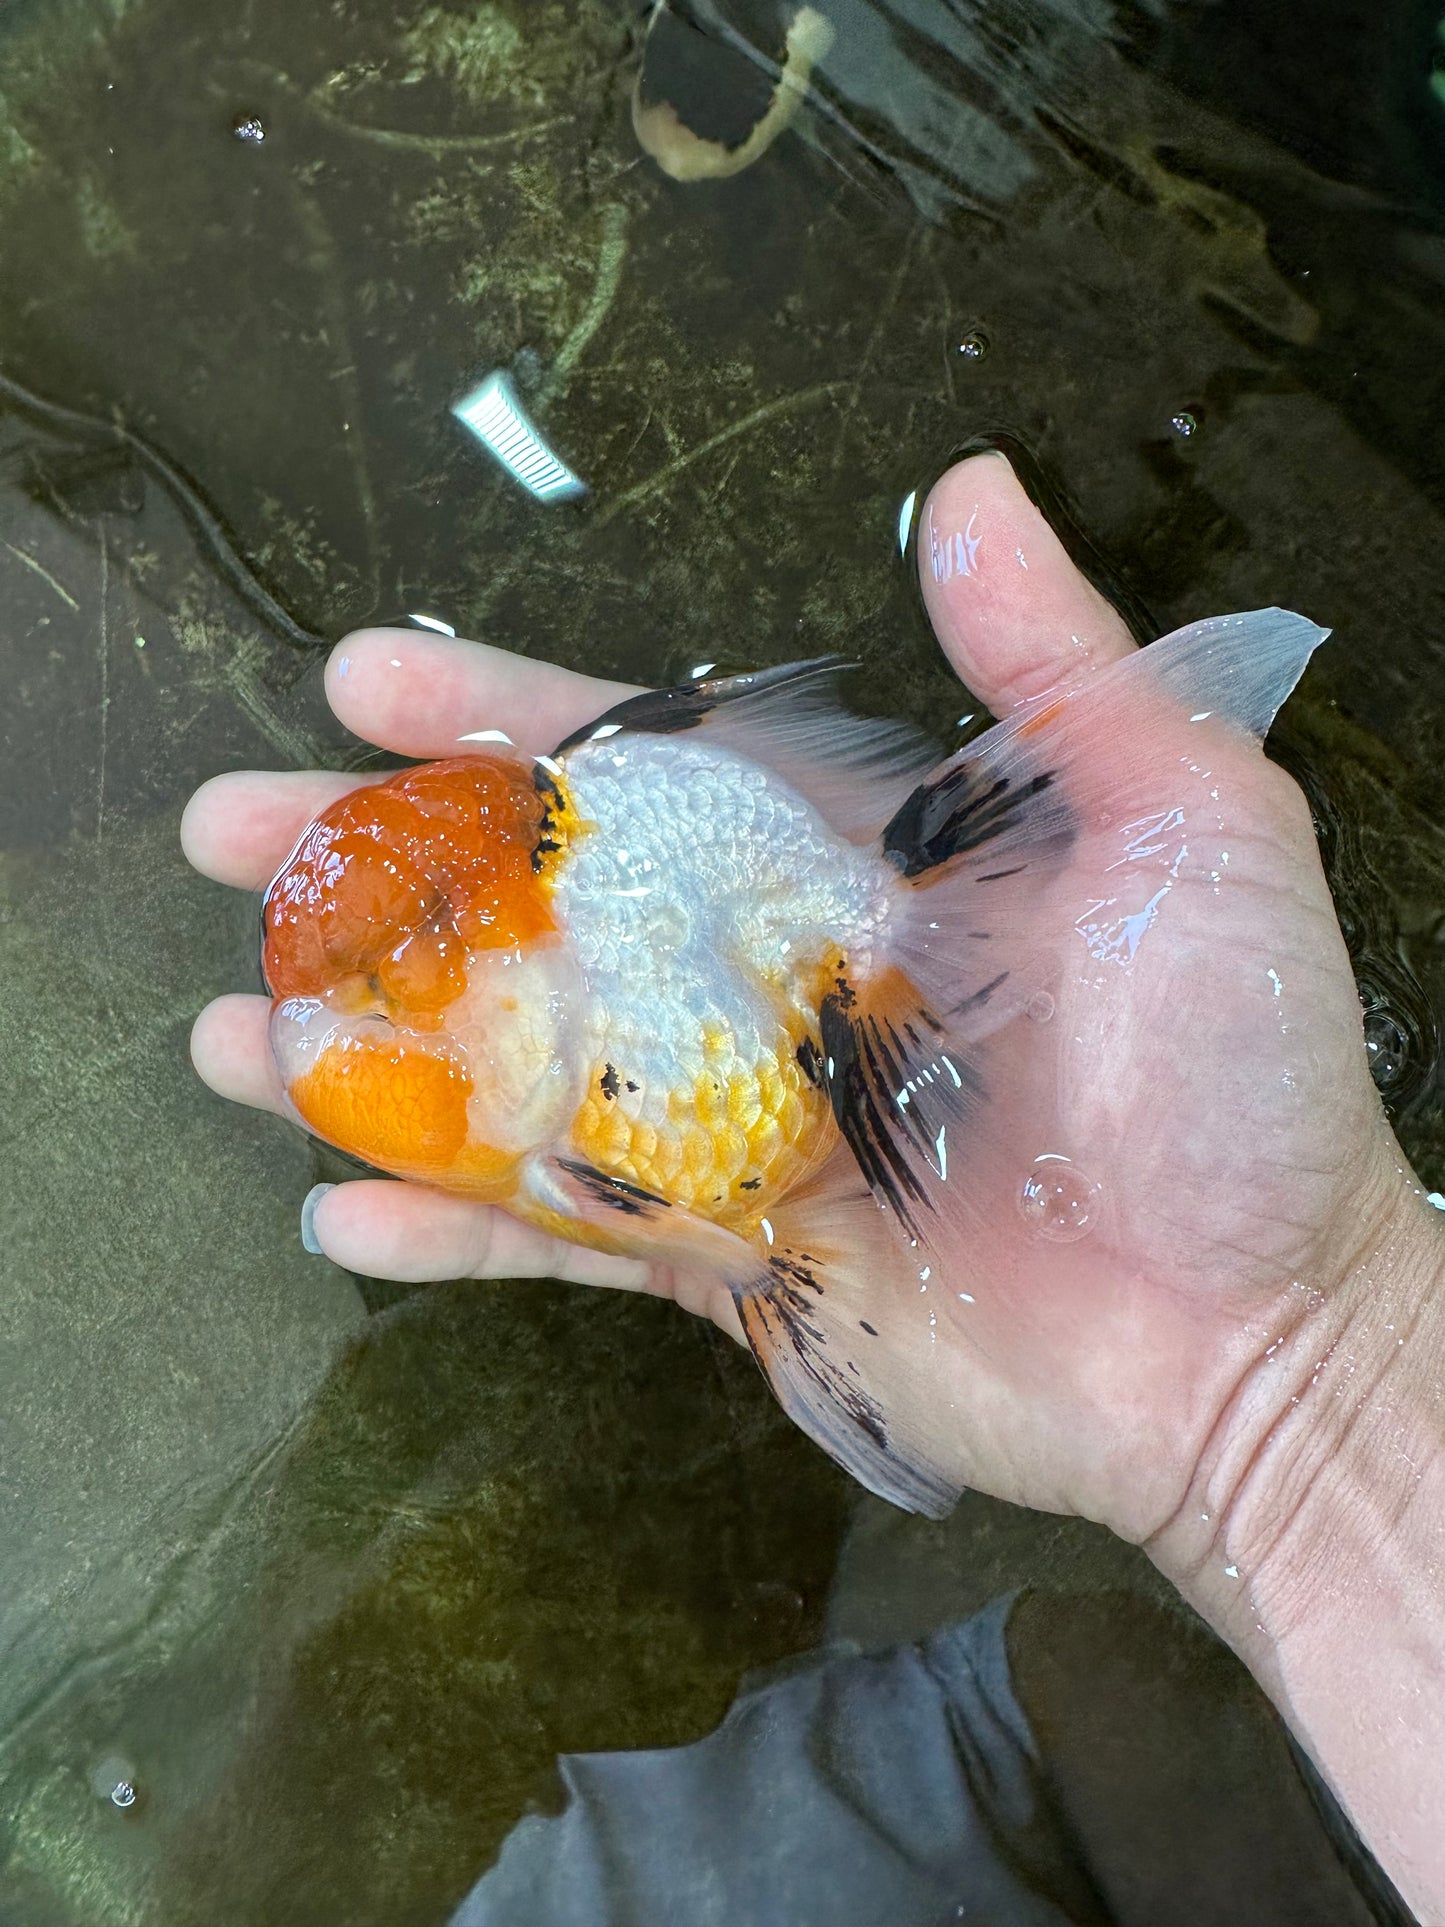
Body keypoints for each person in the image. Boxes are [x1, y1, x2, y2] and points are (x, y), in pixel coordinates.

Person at [182, 452, 1445, 1924]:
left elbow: (703, 1210)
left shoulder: (645, 953)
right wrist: (1307, 1398)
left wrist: (1303, 1373)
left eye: (394, 986)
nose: (348, 1028)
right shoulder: (525, 1033)